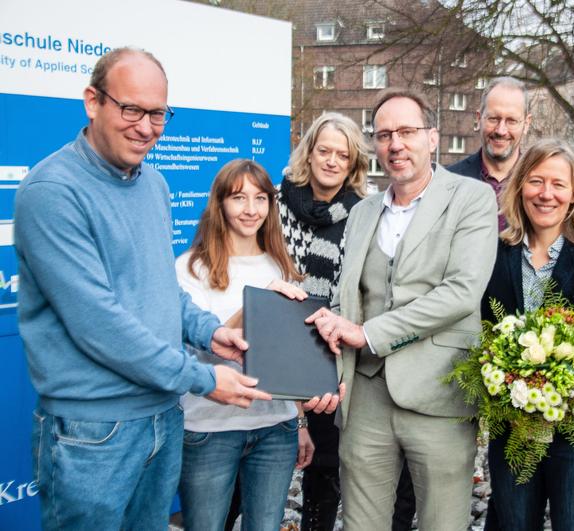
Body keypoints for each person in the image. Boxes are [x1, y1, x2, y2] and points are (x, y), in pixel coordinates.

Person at [13, 48, 274, 530]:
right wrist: (202, 379)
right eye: (131, 109)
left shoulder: (153, 183)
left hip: (162, 414)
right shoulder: (52, 192)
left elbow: (159, 289)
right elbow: (98, 323)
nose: (146, 126)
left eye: (158, 113)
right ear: (93, 102)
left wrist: (207, 332)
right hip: (94, 431)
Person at [306, 88, 498, 531]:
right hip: (366, 394)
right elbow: (344, 298)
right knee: (361, 523)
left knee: (441, 523)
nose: (396, 144)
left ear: (433, 137)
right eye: (385, 134)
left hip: (440, 391)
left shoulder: (471, 199)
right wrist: (313, 321)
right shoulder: (362, 212)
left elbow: (462, 292)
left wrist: (370, 333)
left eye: (407, 131)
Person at [481, 138, 574, 530]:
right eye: (535, 181)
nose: (545, 194)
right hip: (515, 432)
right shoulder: (495, 255)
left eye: (558, 184)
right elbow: (481, 336)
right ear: (519, 188)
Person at [279, 112, 417, 531]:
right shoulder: (273, 201)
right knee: (259, 459)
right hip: (275, 339)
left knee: (322, 465)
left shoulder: (365, 214)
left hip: (329, 349)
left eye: (343, 154)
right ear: (309, 152)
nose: (332, 161)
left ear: (354, 162)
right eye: (324, 151)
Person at [175, 159, 314, 530]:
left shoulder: (281, 266)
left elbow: (289, 354)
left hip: (275, 427)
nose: (251, 209)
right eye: (238, 198)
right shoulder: (190, 268)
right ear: (219, 204)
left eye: (260, 198)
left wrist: (300, 422)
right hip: (209, 428)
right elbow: (205, 345)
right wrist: (256, 304)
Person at [448, 76, 531, 228]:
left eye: (512, 120)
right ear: (478, 119)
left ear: (526, 124)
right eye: (493, 118)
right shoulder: (449, 182)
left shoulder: (540, 186)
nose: (501, 130)